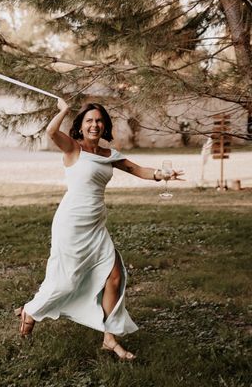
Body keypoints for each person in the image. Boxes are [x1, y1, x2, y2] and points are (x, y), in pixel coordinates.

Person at [17, 98, 184, 360]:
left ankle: (109, 338)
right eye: (89, 121)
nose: (94, 125)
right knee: (65, 280)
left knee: (115, 277)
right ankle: (31, 309)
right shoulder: (72, 148)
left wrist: (162, 175)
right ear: (81, 127)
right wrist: (62, 111)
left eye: (98, 120)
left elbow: (138, 169)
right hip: (71, 224)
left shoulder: (109, 155)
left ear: (104, 125)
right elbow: (50, 133)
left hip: (96, 224)